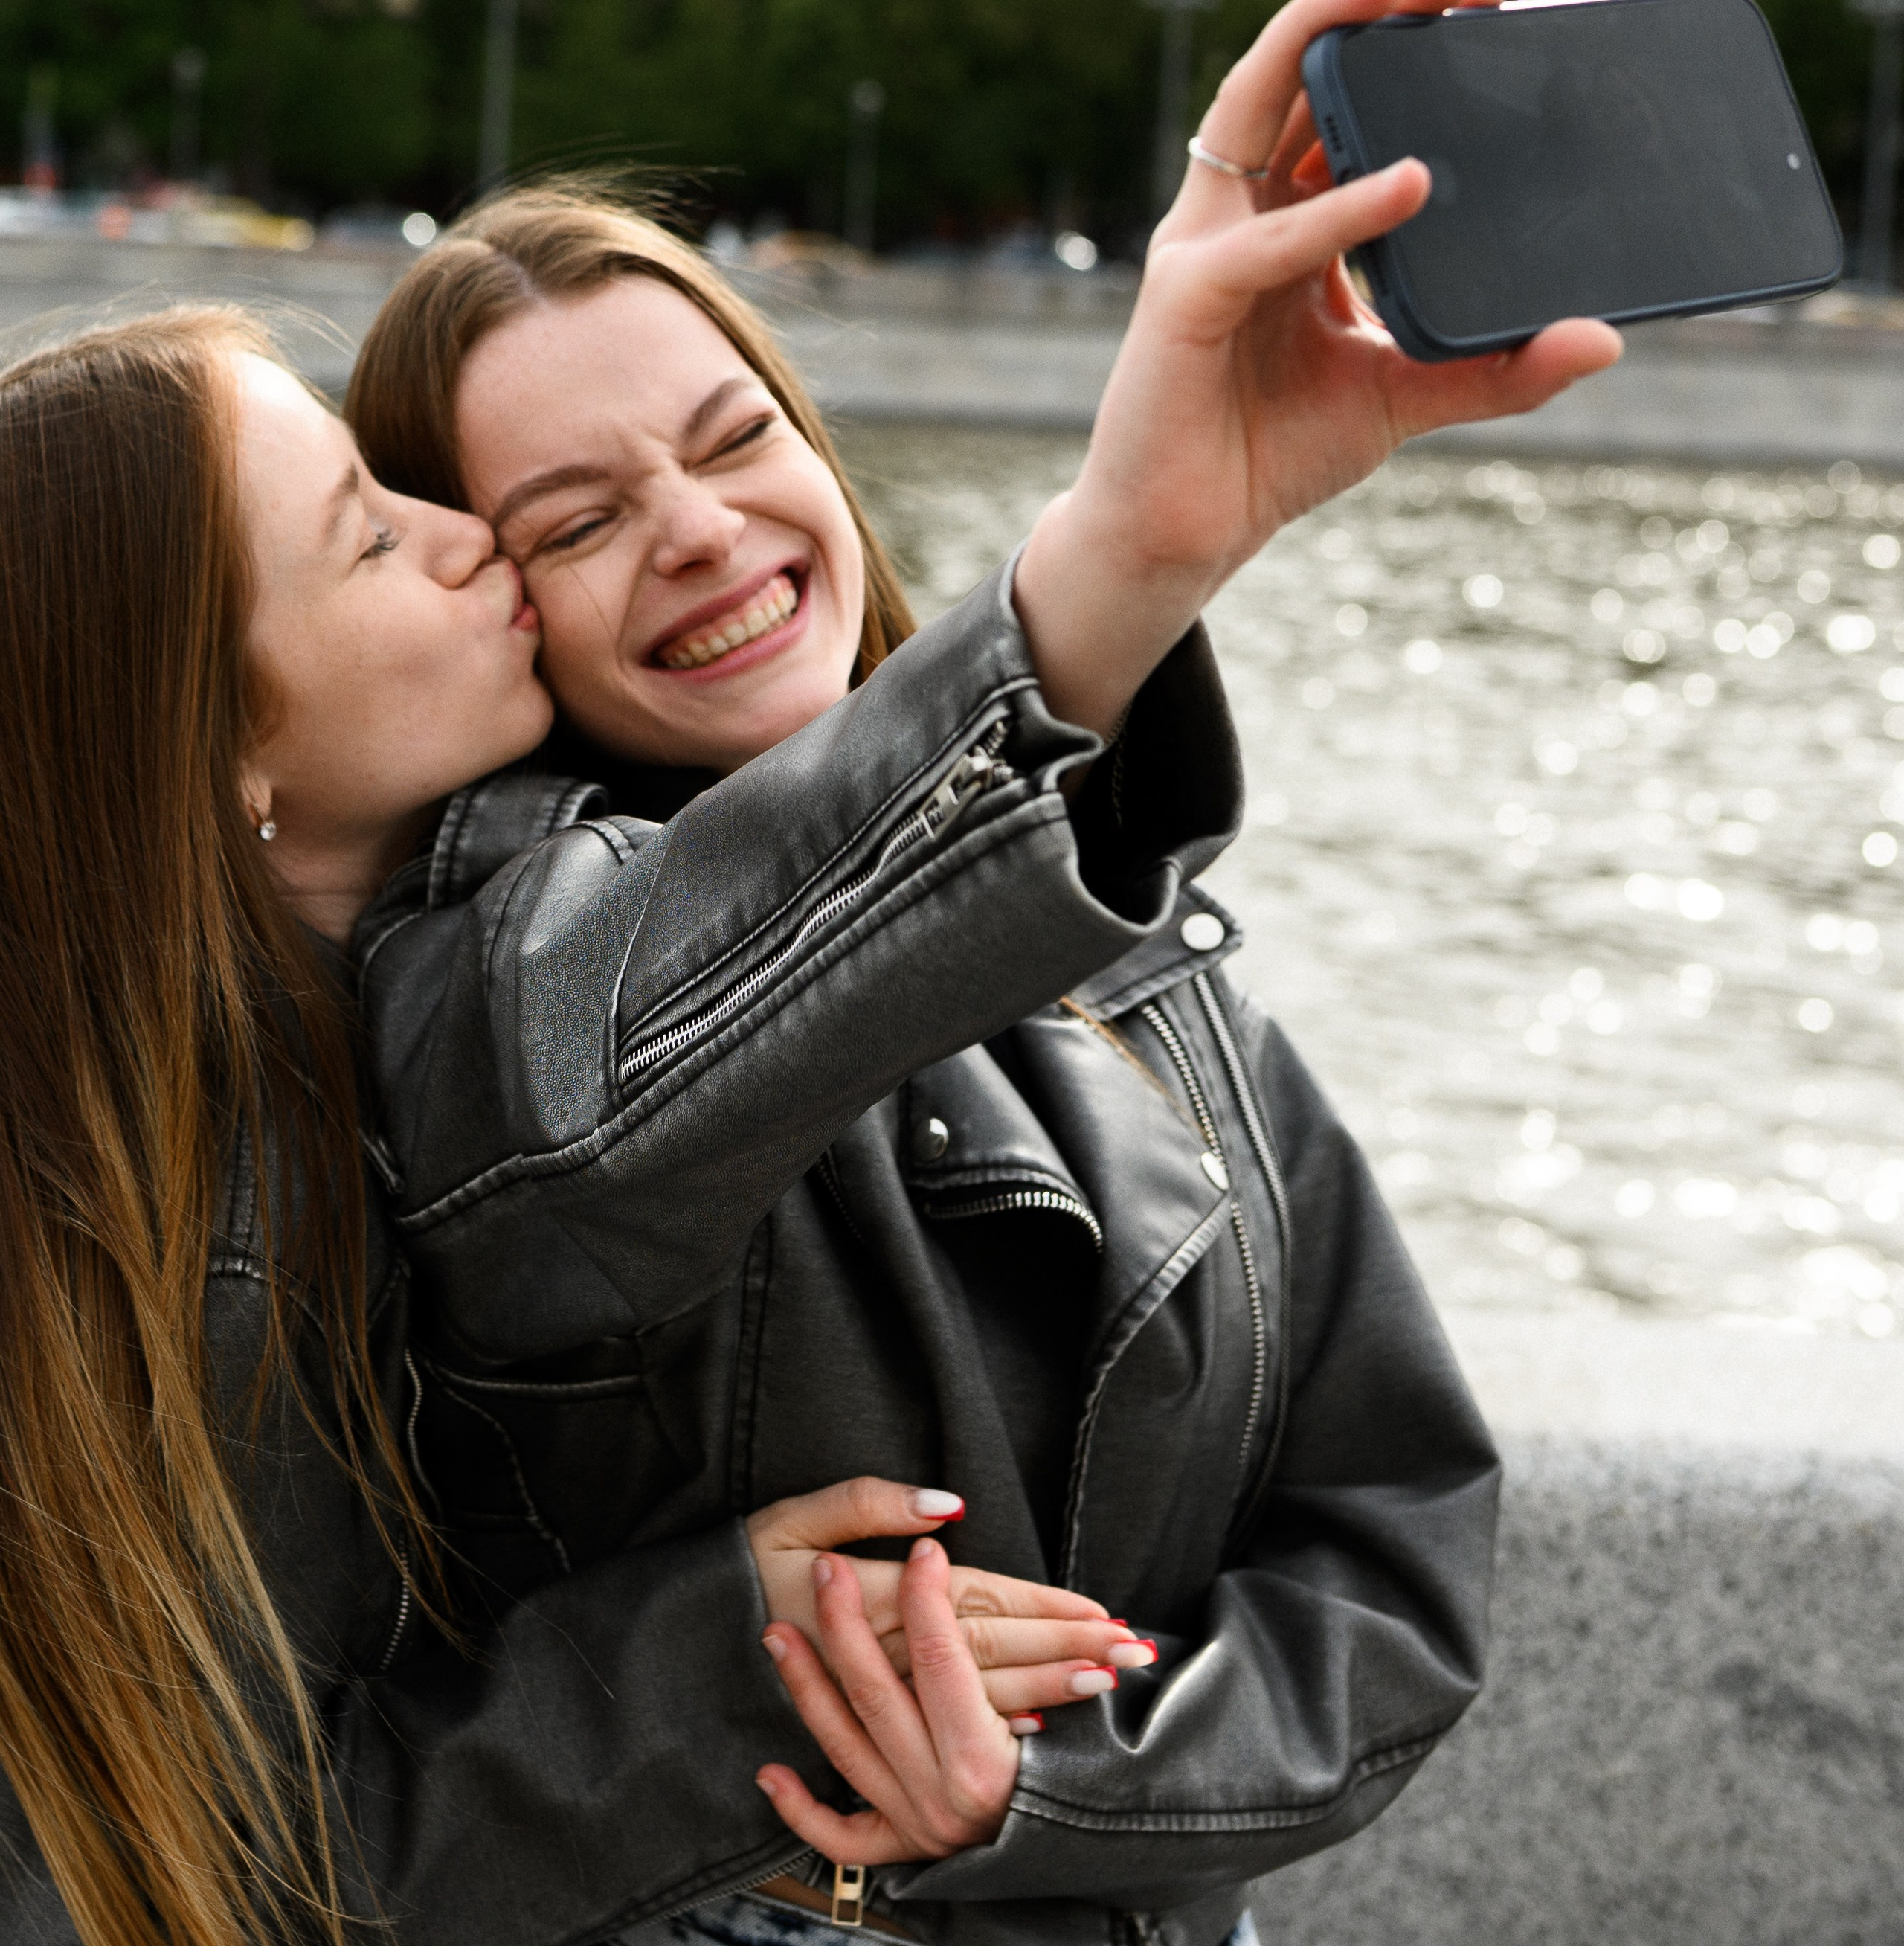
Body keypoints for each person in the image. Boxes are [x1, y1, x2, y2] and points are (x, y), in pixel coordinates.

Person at [342, 0, 1623, 1937]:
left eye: (731, 432)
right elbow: (646, 1068)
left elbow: (1391, 1557)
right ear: (484, 606)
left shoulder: (1145, 958)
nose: (696, 526)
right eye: (577, 521)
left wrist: (1047, 1787)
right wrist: (1121, 560)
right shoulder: (482, 986)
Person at [0, 309, 1200, 1946]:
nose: (460, 536)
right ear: (218, 757)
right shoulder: (171, 1216)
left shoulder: (337, 1026)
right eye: (366, 535)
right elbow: (186, 1876)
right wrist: (727, 1662)